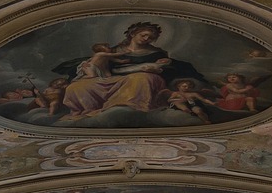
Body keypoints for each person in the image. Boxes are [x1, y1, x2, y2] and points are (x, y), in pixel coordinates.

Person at [55, 22, 204, 120]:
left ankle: (126, 106)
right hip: (115, 79)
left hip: (146, 78)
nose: (147, 38)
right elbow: (106, 66)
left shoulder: (158, 52)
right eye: (143, 35)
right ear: (133, 34)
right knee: (77, 86)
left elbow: (165, 69)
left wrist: (161, 65)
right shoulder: (115, 50)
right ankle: (87, 111)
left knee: (140, 78)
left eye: (150, 37)